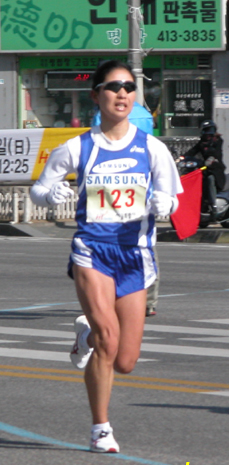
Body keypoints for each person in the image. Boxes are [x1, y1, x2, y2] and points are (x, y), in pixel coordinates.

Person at [30, 60, 182, 453]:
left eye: (129, 87)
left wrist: (163, 202)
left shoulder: (152, 147)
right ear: (96, 94)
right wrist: (51, 196)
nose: (122, 94)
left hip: (136, 255)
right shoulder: (77, 147)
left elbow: (171, 195)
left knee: (126, 361)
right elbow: (38, 190)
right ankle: (101, 428)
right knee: (109, 340)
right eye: (113, 87)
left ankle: (86, 335)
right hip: (92, 251)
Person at [93, 102, 159, 316]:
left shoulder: (102, 115)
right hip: (137, 197)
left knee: (106, 249)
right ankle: (147, 301)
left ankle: (112, 297)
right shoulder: (144, 120)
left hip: (107, 198)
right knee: (144, 250)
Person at [182, 120, 226, 221]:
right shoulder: (202, 142)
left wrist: (211, 159)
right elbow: (193, 151)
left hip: (215, 169)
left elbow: (217, 153)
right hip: (204, 168)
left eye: (209, 130)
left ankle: (213, 205)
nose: (207, 133)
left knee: (210, 179)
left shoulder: (218, 141)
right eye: (205, 130)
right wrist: (182, 157)